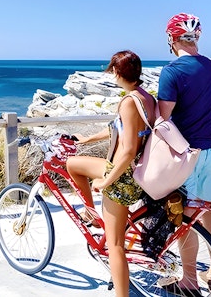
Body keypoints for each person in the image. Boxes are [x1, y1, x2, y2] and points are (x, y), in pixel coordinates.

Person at [66, 50, 156, 297]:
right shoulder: (146, 98)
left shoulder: (128, 102)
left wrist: (107, 181)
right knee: (73, 164)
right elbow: (120, 130)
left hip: (122, 176)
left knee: (114, 245)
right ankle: (91, 213)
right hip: (133, 169)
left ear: (117, 73)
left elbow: (126, 151)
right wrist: (87, 139)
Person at [157, 13, 211, 295]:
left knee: (186, 217)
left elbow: (163, 117)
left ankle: (189, 282)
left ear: (171, 39)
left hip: (189, 154)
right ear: (196, 38)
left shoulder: (172, 71)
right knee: (209, 211)